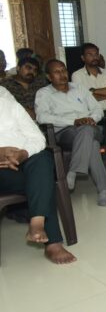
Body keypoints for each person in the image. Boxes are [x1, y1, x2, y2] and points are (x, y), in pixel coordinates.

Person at [0, 86, 77, 264]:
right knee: (41, 182)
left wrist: (23, 153)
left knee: (42, 158)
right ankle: (53, 242)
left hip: (23, 160)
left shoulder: (8, 104)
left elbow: (37, 138)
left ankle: (37, 221)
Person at [35, 59, 106, 207]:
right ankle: (102, 191)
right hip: (66, 132)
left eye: (64, 70)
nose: (62, 74)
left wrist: (91, 119)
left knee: (88, 130)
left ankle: (73, 171)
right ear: (49, 76)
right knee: (93, 144)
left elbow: (97, 109)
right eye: (57, 72)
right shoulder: (44, 93)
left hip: (92, 127)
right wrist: (74, 121)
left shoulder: (79, 88)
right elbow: (42, 117)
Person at [71, 42, 106, 111]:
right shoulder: (77, 75)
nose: (94, 57)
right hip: (92, 114)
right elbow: (82, 99)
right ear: (83, 58)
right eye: (90, 55)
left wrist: (93, 91)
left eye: (96, 54)